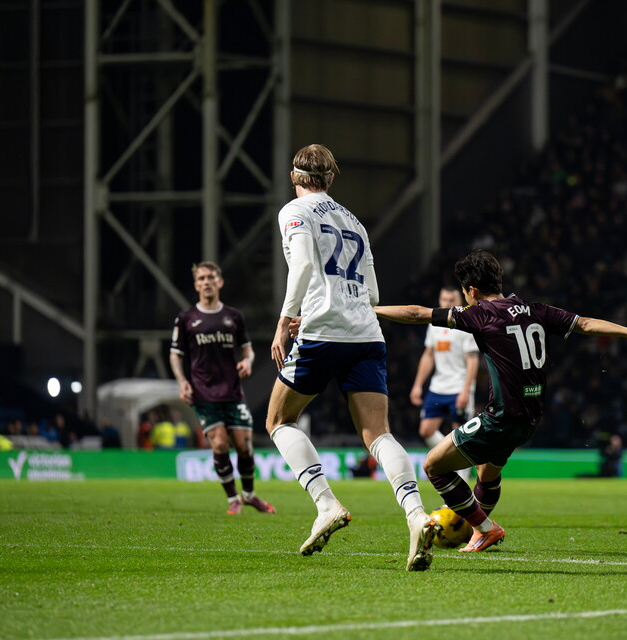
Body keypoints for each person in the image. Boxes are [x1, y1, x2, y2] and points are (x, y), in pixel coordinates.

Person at [374, 249, 627, 552]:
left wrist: (373, 311)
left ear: (471, 291)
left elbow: (417, 313)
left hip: (500, 418)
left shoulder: (481, 314)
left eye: (465, 292)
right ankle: (478, 532)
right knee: (488, 473)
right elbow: (586, 323)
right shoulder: (536, 309)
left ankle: (484, 528)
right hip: (530, 419)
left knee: (434, 465)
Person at [267, 143, 439, 572]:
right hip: (366, 332)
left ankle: (326, 505)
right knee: (378, 434)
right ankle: (417, 514)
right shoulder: (355, 222)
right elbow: (374, 294)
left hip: (323, 331)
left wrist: (287, 319)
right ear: (332, 178)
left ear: (294, 177)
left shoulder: (295, 211)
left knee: (278, 421)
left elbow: (303, 265)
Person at [170, 261, 275, 516]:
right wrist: (182, 382)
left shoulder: (234, 317)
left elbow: (247, 350)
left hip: (233, 392)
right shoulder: (186, 319)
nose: (206, 281)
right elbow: (175, 355)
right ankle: (233, 500)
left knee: (245, 448)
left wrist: (248, 362)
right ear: (196, 285)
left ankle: (249, 495)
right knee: (219, 445)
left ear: (220, 282)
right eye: (201, 278)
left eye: (211, 277)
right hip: (203, 393)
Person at [410, 286, 479, 480]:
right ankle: (451, 458)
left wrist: (467, 390)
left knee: (459, 434)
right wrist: (418, 385)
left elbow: (473, 360)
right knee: (426, 430)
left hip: (459, 387)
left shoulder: (465, 325)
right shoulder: (434, 324)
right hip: (438, 387)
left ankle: (463, 477)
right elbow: (428, 355)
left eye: (451, 300)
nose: (447, 303)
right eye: (444, 300)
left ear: (459, 301)